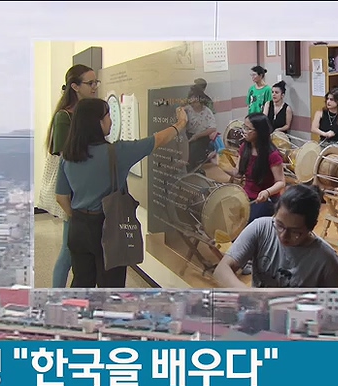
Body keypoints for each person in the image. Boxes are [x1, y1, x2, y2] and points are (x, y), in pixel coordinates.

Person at [55, 98, 187, 288]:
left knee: (82, 282)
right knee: (111, 285)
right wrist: (180, 123)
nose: (111, 120)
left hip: (78, 228)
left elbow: (61, 197)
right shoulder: (117, 152)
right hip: (108, 227)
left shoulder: (68, 156)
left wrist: (80, 217)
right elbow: (157, 140)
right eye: (108, 115)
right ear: (97, 122)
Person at [213, 184, 338, 288]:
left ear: (311, 227)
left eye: (295, 232)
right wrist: (250, 295)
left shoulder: (326, 260)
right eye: (279, 225)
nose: (283, 236)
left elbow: (335, 306)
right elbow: (221, 270)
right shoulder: (261, 228)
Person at [41, 64, 97, 288]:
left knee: (74, 251)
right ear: (75, 86)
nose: (94, 87)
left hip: (85, 189)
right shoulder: (64, 117)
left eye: (96, 82)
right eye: (90, 83)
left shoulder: (87, 113)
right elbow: (68, 155)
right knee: (67, 251)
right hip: (73, 190)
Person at [221, 113, 286, 275]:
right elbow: (238, 173)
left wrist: (266, 192)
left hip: (266, 199)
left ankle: (249, 258)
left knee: (248, 223)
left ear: (258, 131)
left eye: (247, 128)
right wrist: (218, 164)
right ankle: (244, 255)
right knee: (229, 219)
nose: (243, 131)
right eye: (244, 127)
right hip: (246, 196)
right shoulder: (244, 147)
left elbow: (281, 182)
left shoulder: (272, 154)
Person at [183, 88, 217, 172]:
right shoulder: (187, 110)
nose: (192, 104)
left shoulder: (207, 111)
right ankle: (191, 171)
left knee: (193, 151)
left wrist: (197, 136)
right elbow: (178, 112)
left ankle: (194, 172)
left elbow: (213, 128)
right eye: (191, 102)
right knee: (187, 151)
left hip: (202, 137)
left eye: (195, 102)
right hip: (189, 135)